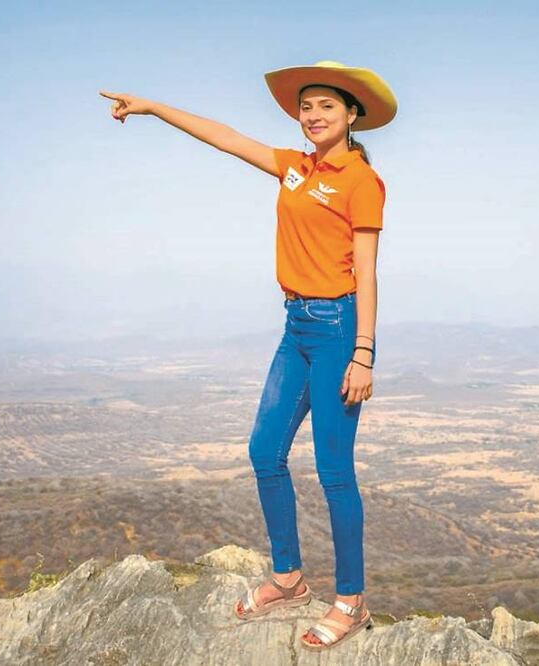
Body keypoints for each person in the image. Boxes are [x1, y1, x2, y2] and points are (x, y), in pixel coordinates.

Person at [99, 59, 396, 651]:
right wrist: (155, 107)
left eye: (326, 107)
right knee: (264, 451)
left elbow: (366, 271)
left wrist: (364, 353)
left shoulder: (361, 180)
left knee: (335, 472)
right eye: (306, 106)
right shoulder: (295, 168)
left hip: (339, 329)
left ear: (351, 114)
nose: (313, 116)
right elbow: (228, 139)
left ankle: (351, 602)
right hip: (296, 326)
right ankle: (287, 579)